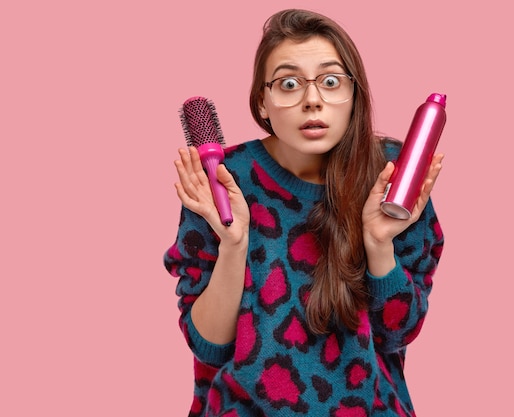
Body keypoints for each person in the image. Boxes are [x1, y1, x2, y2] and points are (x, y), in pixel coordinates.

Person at [164, 8, 445, 416]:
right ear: (262, 102)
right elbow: (210, 346)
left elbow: (397, 333)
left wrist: (379, 243)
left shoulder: (391, 175)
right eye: (289, 83)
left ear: (354, 94)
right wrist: (233, 244)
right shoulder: (223, 181)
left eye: (331, 81)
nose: (312, 100)